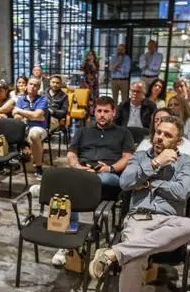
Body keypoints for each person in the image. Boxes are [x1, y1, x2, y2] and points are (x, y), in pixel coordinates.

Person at [89, 115, 190, 292]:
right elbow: (125, 183)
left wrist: (149, 183)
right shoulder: (140, 157)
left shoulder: (186, 162)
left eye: (167, 135)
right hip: (139, 217)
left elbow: (182, 192)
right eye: (158, 132)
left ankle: (115, 252)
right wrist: (155, 163)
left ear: (178, 142)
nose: (160, 137)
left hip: (169, 222)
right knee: (134, 259)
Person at [53, 96, 133, 266]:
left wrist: (109, 168)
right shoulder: (83, 131)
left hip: (108, 178)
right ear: (94, 112)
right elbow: (71, 154)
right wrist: (76, 166)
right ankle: (68, 242)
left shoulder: (123, 132)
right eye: (99, 111)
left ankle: (69, 242)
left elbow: (127, 158)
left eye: (106, 111)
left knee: (76, 184)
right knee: (69, 186)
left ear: (113, 112)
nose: (102, 115)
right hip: (83, 174)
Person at [136, 107, 190, 172]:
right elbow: (130, 177)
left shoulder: (188, 148)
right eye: (156, 120)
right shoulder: (144, 144)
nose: (159, 123)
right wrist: (156, 162)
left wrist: (148, 181)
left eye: (165, 119)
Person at [12, 76, 49, 179]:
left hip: (39, 127)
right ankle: (9, 162)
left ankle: (38, 167)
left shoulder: (43, 100)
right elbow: (16, 116)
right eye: (31, 84)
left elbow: (37, 116)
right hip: (23, 127)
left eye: (36, 85)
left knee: (33, 134)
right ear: (27, 85)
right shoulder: (20, 99)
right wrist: (32, 115)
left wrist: (20, 112)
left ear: (39, 88)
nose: (33, 87)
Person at [80, 49, 99, 113]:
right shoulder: (85, 62)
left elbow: (96, 70)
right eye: (89, 55)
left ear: (94, 56)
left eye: (92, 55)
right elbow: (81, 69)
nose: (90, 56)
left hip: (94, 81)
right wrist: (85, 62)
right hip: (86, 81)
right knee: (86, 96)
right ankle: (86, 111)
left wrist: (92, 62)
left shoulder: (95, 62)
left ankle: (93, 111)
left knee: (94, 96)